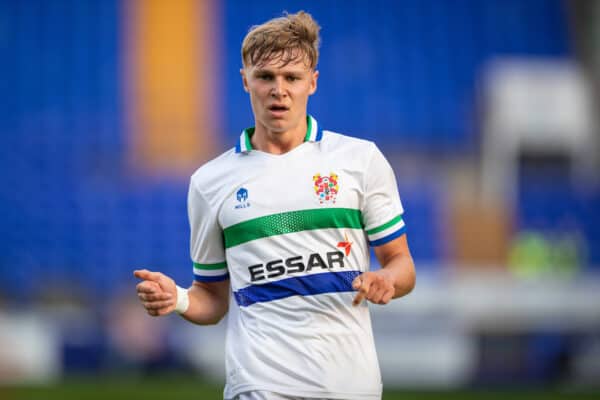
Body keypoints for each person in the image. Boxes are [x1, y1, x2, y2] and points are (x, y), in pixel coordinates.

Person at [134, 10, 415, 400]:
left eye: (292, 78)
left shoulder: (360, 160)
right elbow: (212, 299)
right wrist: (178, 298)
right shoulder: (210, 183)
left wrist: (388, 279)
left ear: (312, 83)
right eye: (265, 76)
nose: (278, 89)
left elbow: (402, 264)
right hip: (259, 386)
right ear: (245, 80)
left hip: (350, 385)